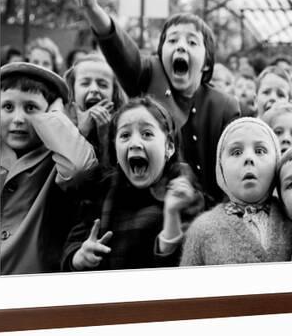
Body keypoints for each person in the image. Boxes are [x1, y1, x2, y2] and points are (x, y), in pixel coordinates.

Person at [70, 0, 240, 207]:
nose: (181, 46)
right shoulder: (149, 74)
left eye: (192, 42)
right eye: (172, 40)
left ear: (207, 63)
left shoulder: (224, 106)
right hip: (150, 208)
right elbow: (121, 49)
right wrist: (92, 9)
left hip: (208, 213)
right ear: (161, 54)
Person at [61, 97, 204, 271]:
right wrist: (79, 257)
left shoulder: (183, 189)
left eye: (147, 134)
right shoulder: (103, 188)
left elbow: (187, 265)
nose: (135, 144)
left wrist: (171, 214)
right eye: (125, 135)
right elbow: (72, 245)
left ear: (169, 147)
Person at [0, 62, 97, 275]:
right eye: (7, 107)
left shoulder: (56, 157)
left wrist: (56, 116)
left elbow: (78, 167)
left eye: (31, 108)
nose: (18, 119)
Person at [180, 118, 292, 266]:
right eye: (236, 152)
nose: (248, 158)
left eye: (260, 151)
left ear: (276, 162)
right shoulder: (202, 229)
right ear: (220, 168)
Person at [64, 54, 126, 164]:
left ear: (114, 93)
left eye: (102, 85)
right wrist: (81, 133)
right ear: (72, 90)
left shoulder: (123, 128)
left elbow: (111, 176)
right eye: (85, 83)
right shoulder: (61, 125)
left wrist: (104, 137)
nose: (94, 89)